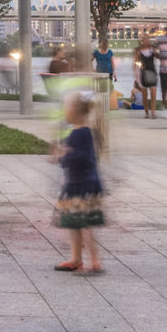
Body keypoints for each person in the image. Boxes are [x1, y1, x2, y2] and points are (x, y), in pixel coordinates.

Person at [52, 91, 104, 273]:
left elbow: (83, 157)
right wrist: (61, 155)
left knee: (82, 225)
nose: (64, 111)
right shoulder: (79, 132)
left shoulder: (81, 133)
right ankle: (77, 259)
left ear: (75, 111)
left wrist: (64, 156)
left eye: (66, 108)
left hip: (81, 186)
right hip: (81, 184)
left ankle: (94, 260)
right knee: (75, 224)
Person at [134, 39, 160, 117]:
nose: (145, 41)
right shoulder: (138, 51)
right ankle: (146, 113)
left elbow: (158, 56)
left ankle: (153, 113)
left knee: (153, 93)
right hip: (143, 74)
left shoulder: (152, 50)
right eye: (144, 39)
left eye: (147, 39)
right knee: (145, 94)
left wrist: (155, 50)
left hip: (152, 72)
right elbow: (135, 62)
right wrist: (136, 74)